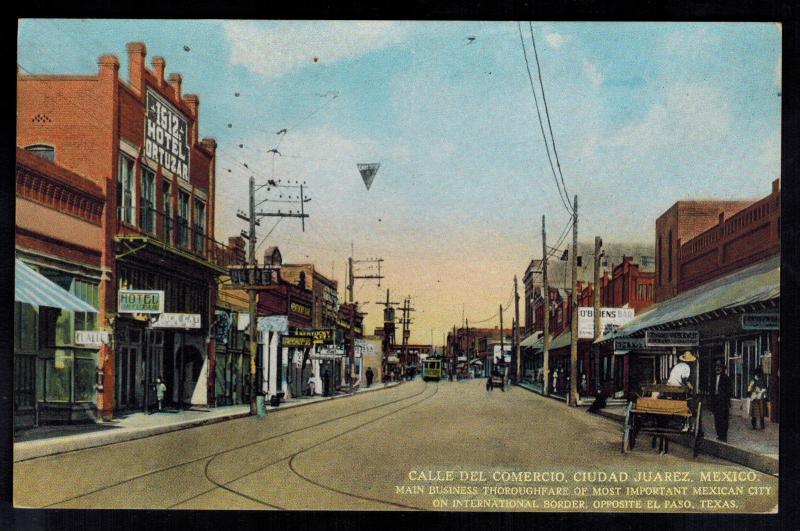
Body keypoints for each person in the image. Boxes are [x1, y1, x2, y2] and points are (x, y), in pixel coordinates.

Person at [712, 361, 732, 442]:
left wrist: (727, 401)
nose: (717, 368)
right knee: (717, 419)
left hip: (723, 402)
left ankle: (723, 436)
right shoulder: (713, 378)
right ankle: (719, 435)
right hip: (715, 401)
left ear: (723, 369)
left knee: (724, 419)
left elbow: (729, 391)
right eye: (716, 366)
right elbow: (711, 390)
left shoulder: (726, 378)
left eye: (719, 367)